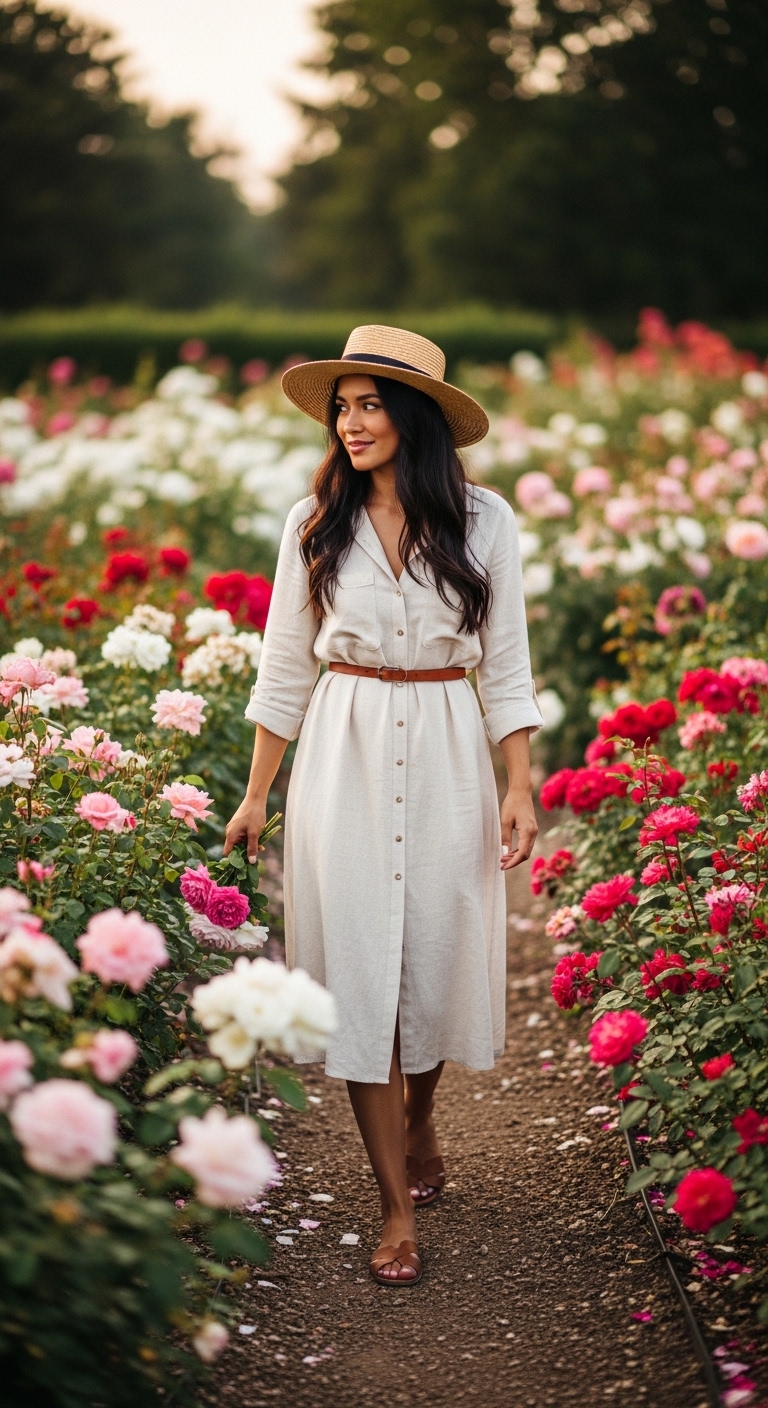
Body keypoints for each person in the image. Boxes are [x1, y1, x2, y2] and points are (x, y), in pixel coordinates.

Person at [224, 325, 543, 1287]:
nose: (351, 423)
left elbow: (509, 663)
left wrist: (519, 784)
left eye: (370, 404)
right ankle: (394, 1208)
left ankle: (418, 1116)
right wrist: (255, 795)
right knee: (363, 966)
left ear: (413, 417)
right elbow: (284, 666)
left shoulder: (485, 524)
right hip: (346, 743)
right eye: (342, 405)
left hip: (448, 741)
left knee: (434, 950)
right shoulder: (313, 522)